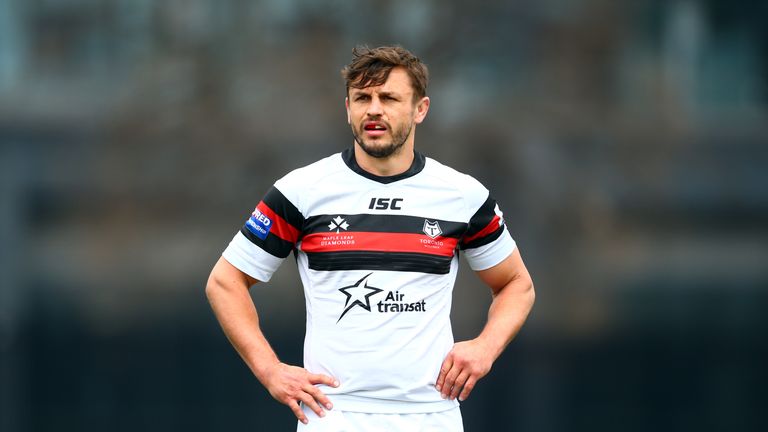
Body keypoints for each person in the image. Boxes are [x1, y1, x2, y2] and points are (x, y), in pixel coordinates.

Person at [206, 45, 535, 431]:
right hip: (334, 413)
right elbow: (225, 282)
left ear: (420, 109)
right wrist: (270, 371)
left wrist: (485, 347)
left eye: (389, 98)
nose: (374, 109)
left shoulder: (462, 195)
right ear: (347, 109)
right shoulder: (302, 191)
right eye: (362, 98)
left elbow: (517, 284)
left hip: (430, 414)